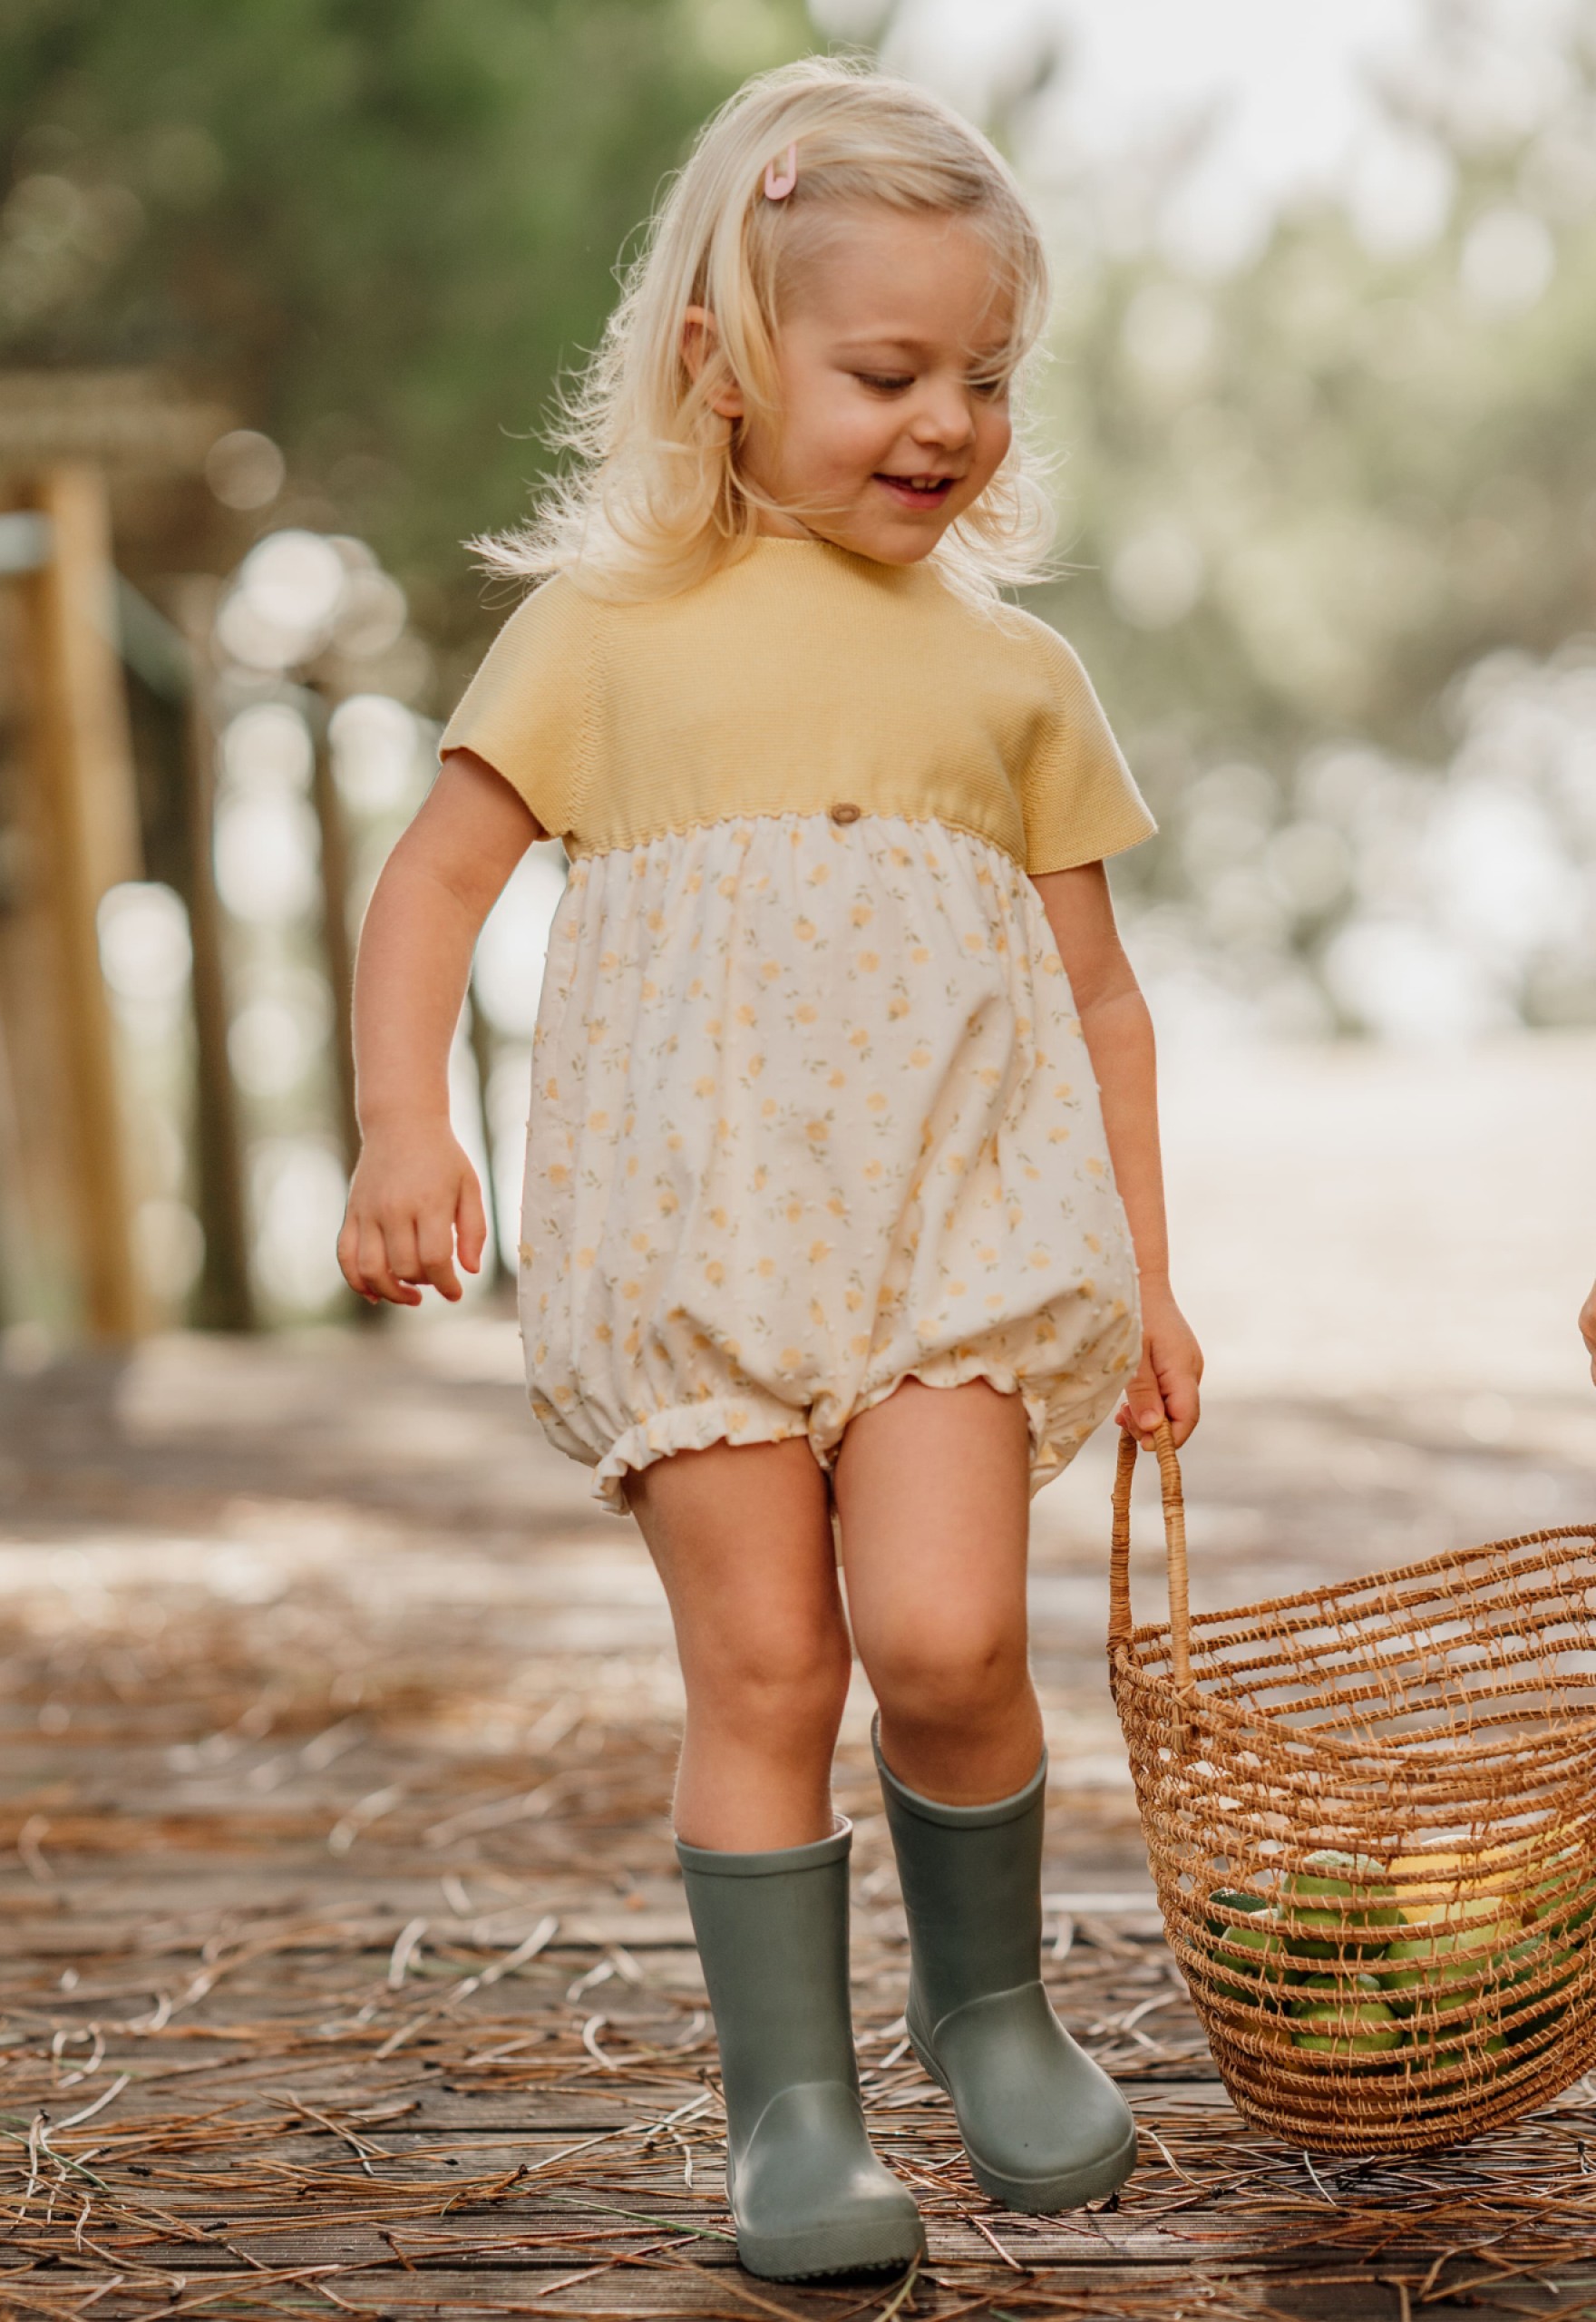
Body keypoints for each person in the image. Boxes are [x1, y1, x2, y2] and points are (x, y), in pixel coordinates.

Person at [339, 54, 1202, 2283]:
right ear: (725, 363)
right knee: (766, 1671)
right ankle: (794, 2115)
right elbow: (433, 884)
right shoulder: (605, 638)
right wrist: (403, 1122)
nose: (946, 421)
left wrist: (1153, 1270)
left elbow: (1101, 997)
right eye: (889, 369)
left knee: (940, 1633)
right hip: (697, 1245)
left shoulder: (1011, 674)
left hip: (952, 1235)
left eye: (987, 377)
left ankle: (990, 2004)